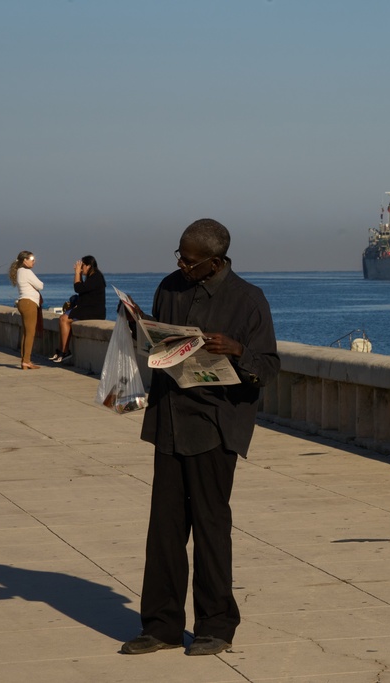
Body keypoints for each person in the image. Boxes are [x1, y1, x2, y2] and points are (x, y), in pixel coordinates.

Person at [121, 219, 280, 657]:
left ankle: (216, 626)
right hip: (169, 420)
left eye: (190, 261)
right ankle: (161, 626)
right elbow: (157, 350)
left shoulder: (248, 300)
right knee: (165, 530)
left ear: (215, 261)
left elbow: (268, 366)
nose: (182, 265)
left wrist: (238, 351)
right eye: (180, 256)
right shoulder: (169, 287)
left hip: (215, 425)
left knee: (211, 528)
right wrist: (138, 325)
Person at [51, 255, 106, 364]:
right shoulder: (92, 276)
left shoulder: (96, 277)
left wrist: (77, 273)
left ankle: (65, 352)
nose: (81, 268)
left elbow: (78, 288)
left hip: (94, 311)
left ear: (89, 266)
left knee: (64, 319)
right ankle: (62, 350)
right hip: (87, 308)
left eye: (83, 266)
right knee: (62, 319)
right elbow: (82, 290)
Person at [8, 251, 44, 370]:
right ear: (25, 260)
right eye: (32, 259)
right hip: (29, 303)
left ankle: (25, 360)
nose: (34, 261)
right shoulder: (27, 272)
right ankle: (26, 361)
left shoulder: (19, 271)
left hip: (23, 302)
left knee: (26, 332)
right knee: (30, 333)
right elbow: (40, 285)